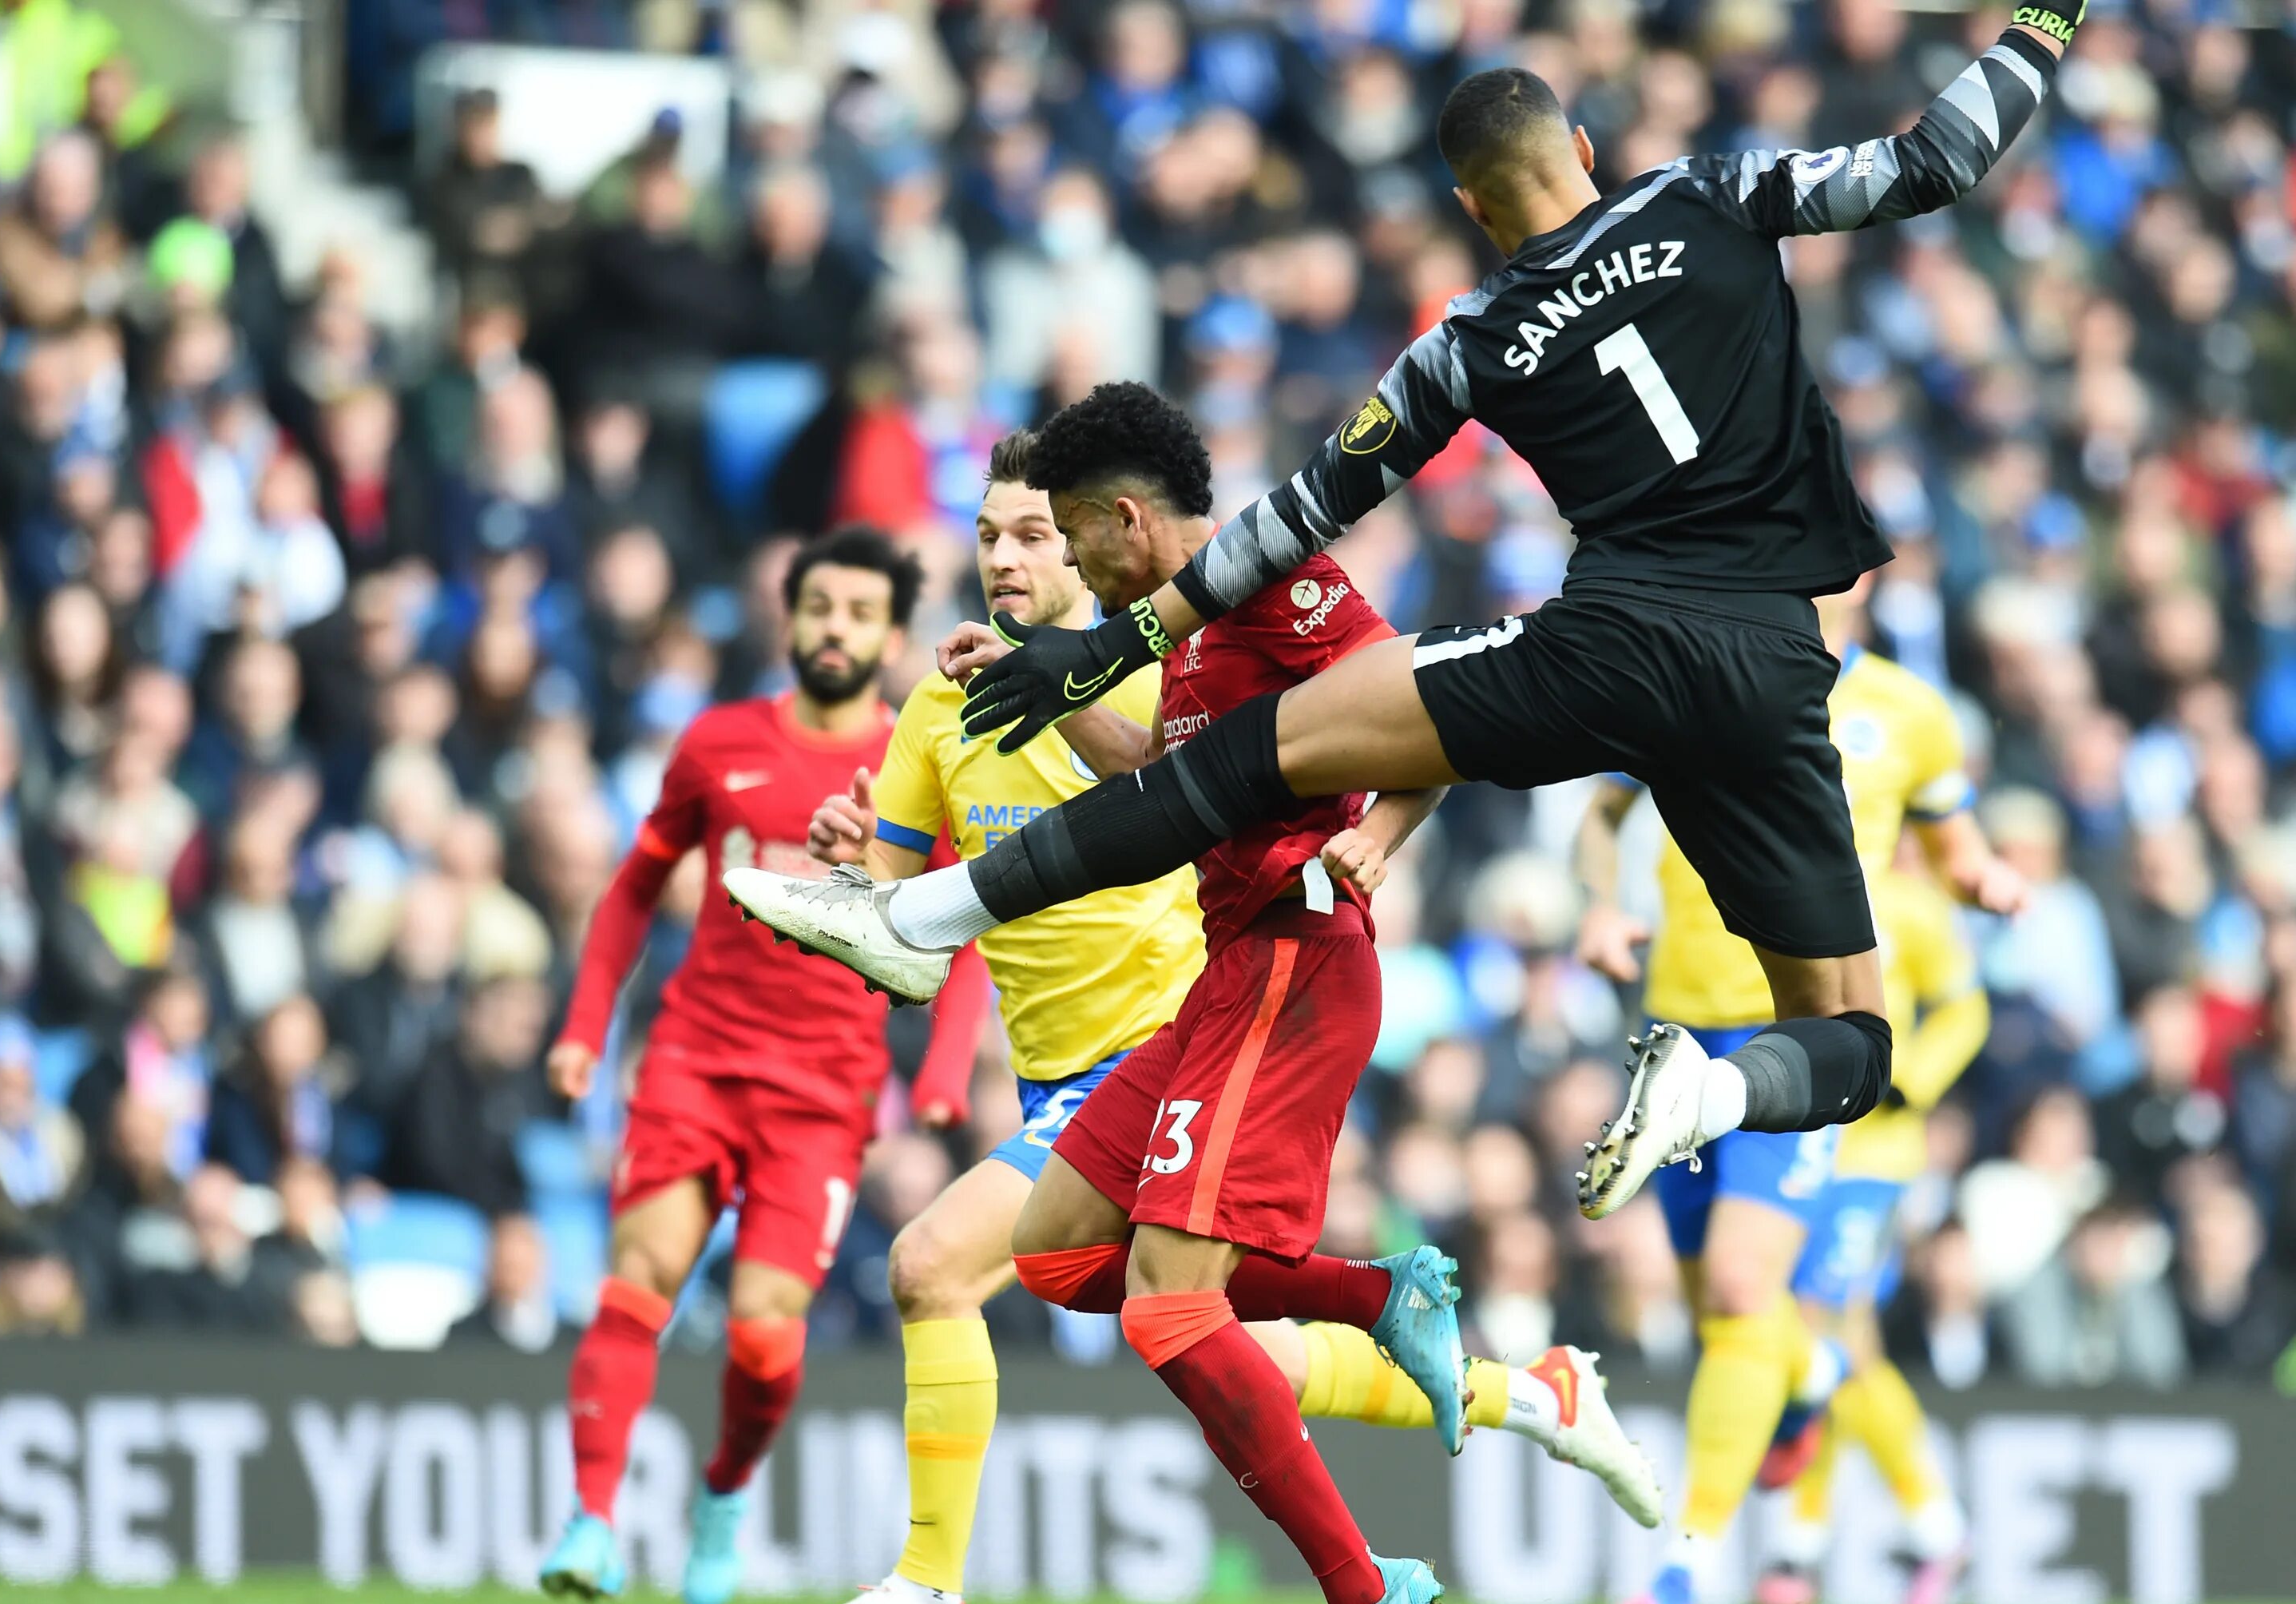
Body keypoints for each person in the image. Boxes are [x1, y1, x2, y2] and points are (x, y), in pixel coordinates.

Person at [725, 6, 2082, 1232]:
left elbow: (1299, 514)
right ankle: (1713, 1097)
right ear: (1588, 148)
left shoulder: (1474, 335)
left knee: (1247, 756)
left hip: (1606, 648)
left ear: (1472, 208)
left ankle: (926, 916)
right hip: (1775, 666)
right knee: (1854, 1046)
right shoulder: (1718, 195)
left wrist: (1120, 642)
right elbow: (1935, 161)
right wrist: (2042, 19)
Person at [771, 387, 1652, 1604]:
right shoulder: (1173, 640)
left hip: (1293, 961)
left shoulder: (1273, 584)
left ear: (1122, 521)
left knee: (1166, 1314)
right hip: (1224, 970)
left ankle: (1370, 1595)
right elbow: (1168, 777)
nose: (1055, 558)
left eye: (1062, 532)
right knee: (1068, 1255)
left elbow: (1445, 705)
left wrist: (1383, 834)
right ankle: (1383, 1296)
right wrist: (1052, 695)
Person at [1573, 578, 2019, 1604]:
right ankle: (1810, 1372)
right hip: (1677, 1028)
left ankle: (1686, 1564)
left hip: (1805, 1032)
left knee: (1738, 1288)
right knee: (1724, 1309)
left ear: (1861, 573)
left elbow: (1957, 858)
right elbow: (1602, 813)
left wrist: (1986, 882)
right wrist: (1601, 906)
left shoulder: (1912, 714)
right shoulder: (1693, 672)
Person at [536, 526, 942, 1604]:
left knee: (766, 1328)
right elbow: (633, 886)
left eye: (860, 612)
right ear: (790, 617)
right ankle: (590, 1521)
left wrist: (943, 1072)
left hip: (824, 1086)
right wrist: (585, 1026)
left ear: (893, 636)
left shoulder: (920, 761)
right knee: (640, 1274)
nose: (836, 628)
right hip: (697, 1056)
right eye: (819, 607)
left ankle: (723, 1491)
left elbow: (971, 931)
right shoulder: (715, 742)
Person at [1753, 863, 1989, 1604]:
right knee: (1829, 1346)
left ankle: (1917, 1529)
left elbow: (1965, 1008)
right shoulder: (1787, 877)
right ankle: (1825, 1540)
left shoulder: (1912, 903)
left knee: (1830, 1332)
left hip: (1876, 1156)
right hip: (1804, 1144)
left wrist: (1909, 1076)